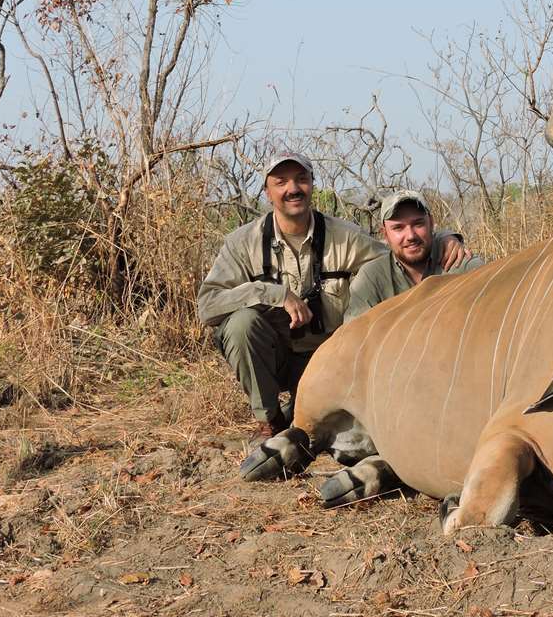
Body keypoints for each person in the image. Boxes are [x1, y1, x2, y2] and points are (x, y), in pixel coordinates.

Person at [197, 154, 469, 444]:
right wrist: (271, 293)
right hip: (273, 359)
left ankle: (305, 414)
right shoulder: (242, 242)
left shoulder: (344, 236)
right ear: (267, 191)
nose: (293, 188)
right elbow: (208, 304)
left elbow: (398, 255)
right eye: (281, 182)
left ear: (313, 185)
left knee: (339, 428)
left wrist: (443, 238)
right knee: (240, 325)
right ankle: (271, 423)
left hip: (328, 363)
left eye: (302, 179)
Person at [344, 189, 483, 323]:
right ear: (385, 233)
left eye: (418, 224)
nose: (410, 236)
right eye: (398, 228)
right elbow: (353, 337)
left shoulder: (462, 266)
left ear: (431, 223)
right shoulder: (371, 278)